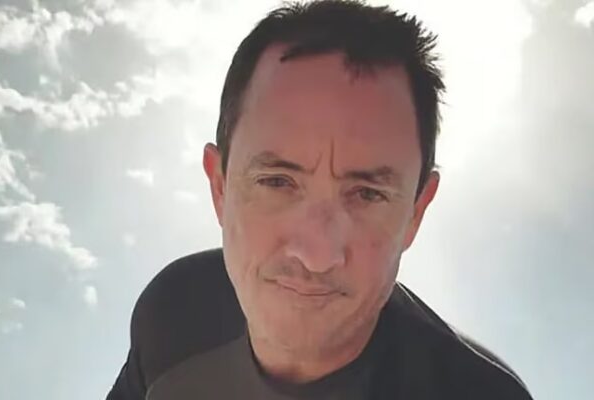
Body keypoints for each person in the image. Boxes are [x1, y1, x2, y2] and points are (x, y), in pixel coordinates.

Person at [106, 1, 533, 399]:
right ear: (219, 187)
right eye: (277, 181)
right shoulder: (173, 318)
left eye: (368, 194)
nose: (316, 255)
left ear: (416, 213)